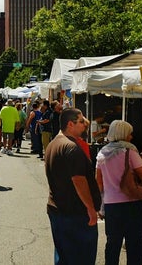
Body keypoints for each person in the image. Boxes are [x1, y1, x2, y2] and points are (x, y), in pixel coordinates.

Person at [45, 107, 101, 264]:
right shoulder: (71, 147)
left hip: (59, 210)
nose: (84, 125)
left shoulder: (54, 144)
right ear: (70, 124)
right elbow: (78, 180)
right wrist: (91, 209)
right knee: (81, 258)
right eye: (81, 121)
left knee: (64, 257)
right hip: (75, 213)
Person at [95, 120, 142, 265]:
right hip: (132, 203)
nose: (131, 137)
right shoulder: (130, 151)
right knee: (135, 245)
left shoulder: (102, 153)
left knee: (113, 243)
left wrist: (100, 204)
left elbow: (99, 182)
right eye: (129, 134)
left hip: (111, 204)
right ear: (124, 134)